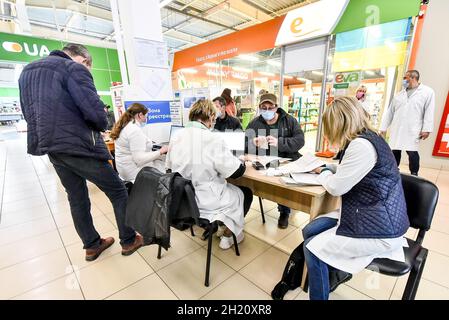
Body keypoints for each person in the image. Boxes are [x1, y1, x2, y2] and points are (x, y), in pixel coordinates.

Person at [18, 43, 143, 261]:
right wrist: (103, 120)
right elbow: (95, 113)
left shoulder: (27, 73)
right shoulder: (73, 69)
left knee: (76, 197)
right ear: (84, 61)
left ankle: (92, 245)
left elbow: (28, 111)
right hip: (80, 147)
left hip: (52, 148)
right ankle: (129, 239)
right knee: (118, 191)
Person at [301, 96, 409, 300]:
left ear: (339, 123)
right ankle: (330, 274)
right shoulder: (370, 138)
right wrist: (331, 168)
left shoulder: (360, 145)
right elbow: (356, 170)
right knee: (310, 229)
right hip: (371, 212)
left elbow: (335, 187)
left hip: (380, 228)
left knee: (311, 248)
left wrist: (323, 173)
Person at [166, 99, 253, 250]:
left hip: (184, 200)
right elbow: (235, 172)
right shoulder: (212, 138)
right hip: (206, 200)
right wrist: (241, 162)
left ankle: (221, 227)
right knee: (244, 193)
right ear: (211, 117)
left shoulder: (176, 136)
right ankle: (228, 235)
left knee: (229, 190)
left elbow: (169, 168)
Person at [245, 92, 305, 229]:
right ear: (259, 107)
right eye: (263, 107)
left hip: (287, 160)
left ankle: (284, 212)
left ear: (276, 107)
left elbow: (300, 141)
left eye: (270, 107)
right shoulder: (255, 123)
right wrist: (253, 142)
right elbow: (244, 143)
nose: (267, 111)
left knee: (283, 185)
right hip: (265, 162)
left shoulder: (289, 121)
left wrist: (280, 142)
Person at [380, 70, 435, 176]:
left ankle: (414, 173)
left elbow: (429, 111)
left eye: (406, 78)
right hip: (398, 127)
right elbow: (390, 112)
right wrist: (383, 127)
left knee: (412, 152)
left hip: (413, 128)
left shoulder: (427, 92)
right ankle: (394, 171)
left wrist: (426, 129)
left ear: (413, 78)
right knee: (395, 150)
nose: (403, 80)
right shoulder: (399, 94)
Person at [111, 103, 168, 182]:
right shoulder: (134, 130)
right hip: (134, 171)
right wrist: (161, 151)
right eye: (146, 115)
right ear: (140, 115)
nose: (146, 118)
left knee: (158, 161)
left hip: (124, 170)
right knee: (165, 166)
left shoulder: (126, 126)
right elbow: (139, 159)